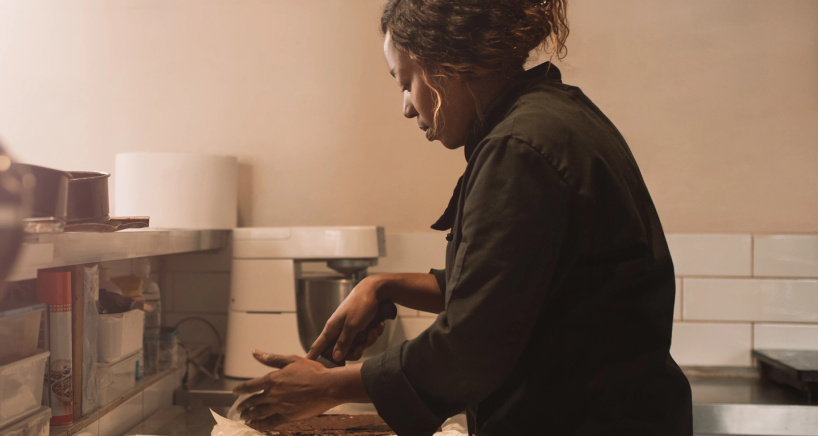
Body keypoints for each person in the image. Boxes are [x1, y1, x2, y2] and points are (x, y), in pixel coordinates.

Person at [232, 0, 694, 434]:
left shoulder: (520, 149)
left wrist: (329, 386)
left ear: (444, 63)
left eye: (406, 82)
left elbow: (472, 348)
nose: (408, 106)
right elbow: (510, 288)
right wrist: (383, 284)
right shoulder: (555, 116)